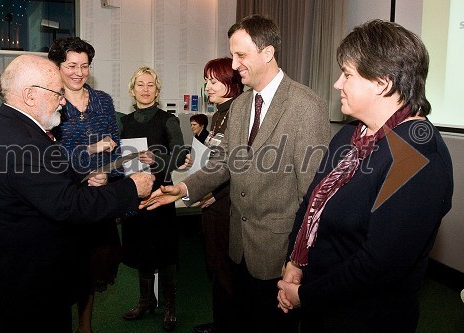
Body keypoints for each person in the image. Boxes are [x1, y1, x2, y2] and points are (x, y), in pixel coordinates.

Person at [141, 14, 330, 332]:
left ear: (267, 53)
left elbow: (311, 196)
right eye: (232, 54)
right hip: (238, 244)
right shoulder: (241, 105)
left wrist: (297, 259)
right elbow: (222, 162)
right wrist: (184, 189)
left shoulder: (305, 106)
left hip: (277, 251)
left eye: (241, 55)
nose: (234, 63)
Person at [277, 20, 454, 333]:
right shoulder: (350, 135)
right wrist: (295, 263)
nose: (337, 84)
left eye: (347, 74)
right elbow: (312, 200)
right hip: (322, 306)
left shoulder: (420, 155)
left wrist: (305, 295)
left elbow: (378, 265)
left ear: (382, 83)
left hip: (365, 318)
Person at [0, 54, 154, 333]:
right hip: (29, 289)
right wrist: (132, 187)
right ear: (30, 95)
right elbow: (69, 206)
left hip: (27, 276)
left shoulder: (10, 127)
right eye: (58, 93)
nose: (62, 101)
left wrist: (85, 175)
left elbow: (47, 182)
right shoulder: (20, 141)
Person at [48, 36, 122, 333]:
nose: (79, 72)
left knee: (94, 266)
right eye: (71, 65)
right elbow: (49, 155)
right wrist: (90, 152)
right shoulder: (51, 100)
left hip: (97, 198)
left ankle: (85, 325)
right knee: (65, 266)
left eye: (85, 66)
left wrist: (106, 172)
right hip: (64, 196)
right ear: (58, 67)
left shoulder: (103, 100)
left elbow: (114, 147)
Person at [120, 66, 187, 331]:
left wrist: (157, 160)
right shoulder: (123, 122)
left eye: (150, 85)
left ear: (157, 90)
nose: (145, 89)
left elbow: (181, 152)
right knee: (140, 250)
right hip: (134, 196)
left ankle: (169, 307)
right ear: (132, 89)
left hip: (161, 195)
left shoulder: (167, 119)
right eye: (140, 84)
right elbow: (117, 158)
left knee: (165, 253)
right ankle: (146, 301)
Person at [192, 57, 244, 333]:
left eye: (213, 81)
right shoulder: (218, 113)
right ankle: (221, 322)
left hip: (225, 204)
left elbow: (240, 164)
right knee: (215, 265)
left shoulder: (238, 112)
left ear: (230, 83)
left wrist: (217, 193)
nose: (207, 87)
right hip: (211, 200)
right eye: (207, 81)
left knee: (225, 270)